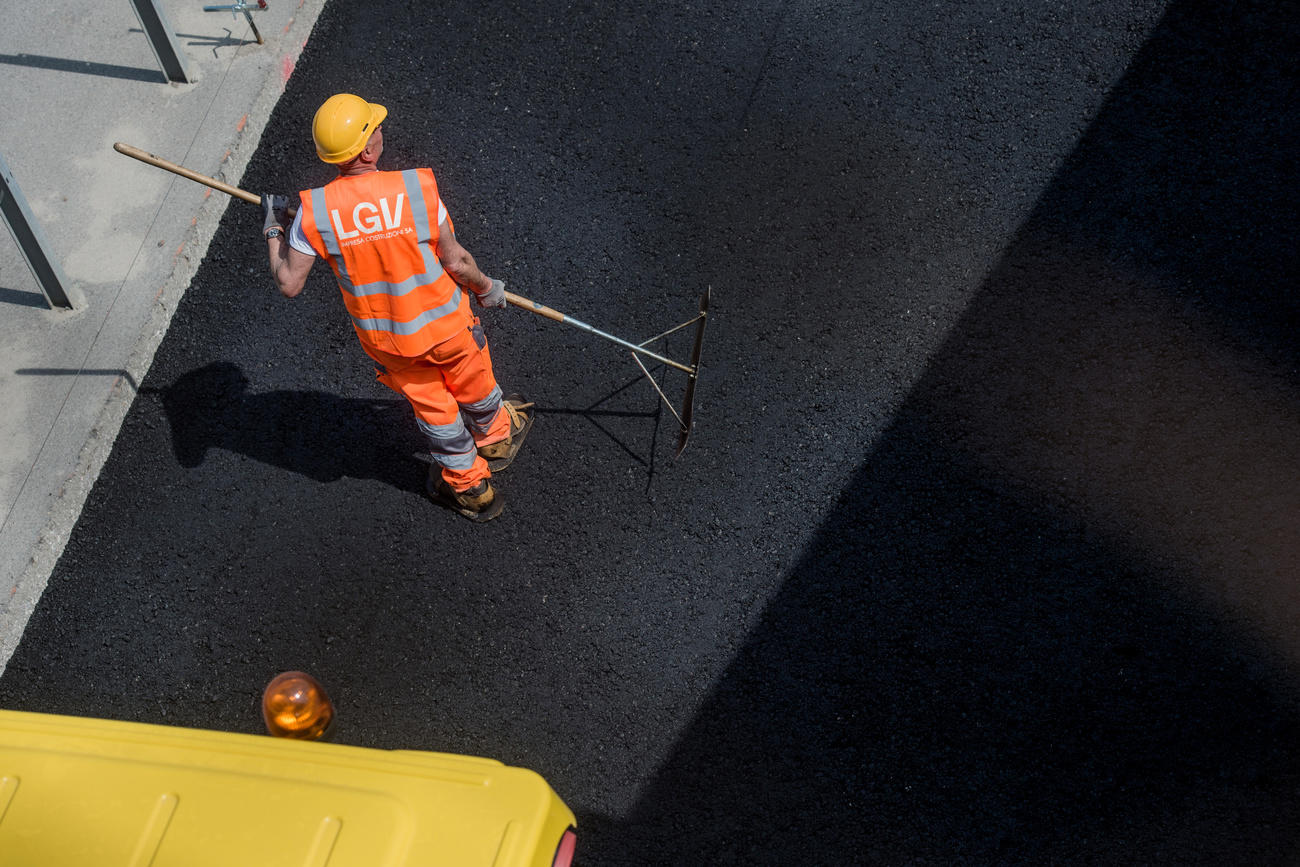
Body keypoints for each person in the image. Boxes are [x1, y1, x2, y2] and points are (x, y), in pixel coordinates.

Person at [260, 93, 531, 522]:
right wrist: (486, 287)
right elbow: (455, 259)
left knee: (437, 413)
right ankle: (496, 437)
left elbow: (289, 282)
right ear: (368, 148)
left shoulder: (313, 214)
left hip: (392, 343)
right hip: (448, 324)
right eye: (376, 126)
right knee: (474, 379)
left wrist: (276, 228)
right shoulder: (415, 187)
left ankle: (471, 489)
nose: (382, 130)